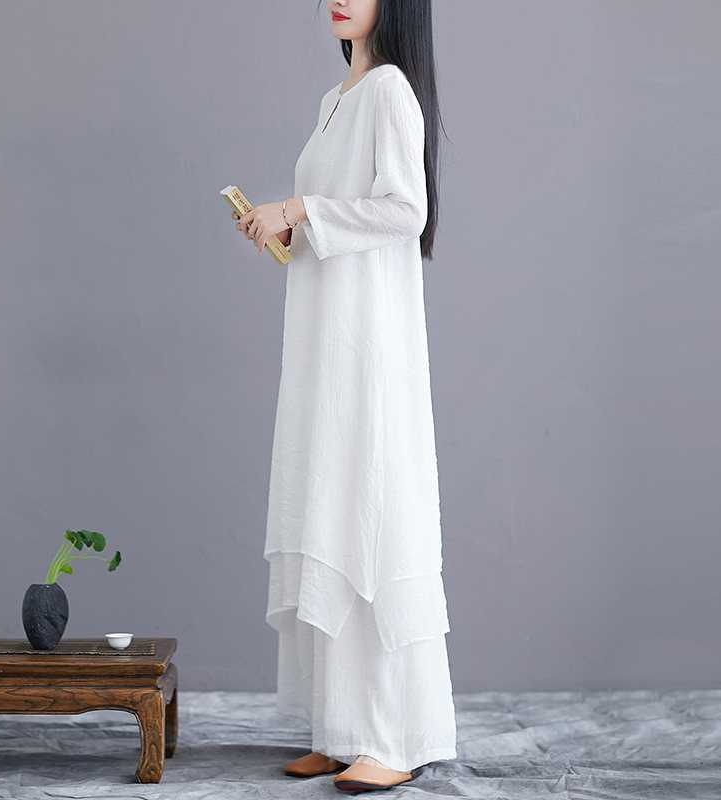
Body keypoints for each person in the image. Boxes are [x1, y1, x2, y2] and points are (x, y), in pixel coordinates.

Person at [232, 0, 456, 793]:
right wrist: (292, 233)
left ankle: (393, 736)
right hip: (325, 343)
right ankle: (342, 731)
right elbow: (345, 217)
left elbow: (406, 209)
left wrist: (298, 209)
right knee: (329, 505)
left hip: (369, 347)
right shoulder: (337, 99)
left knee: (370, 510)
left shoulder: (391, 90)